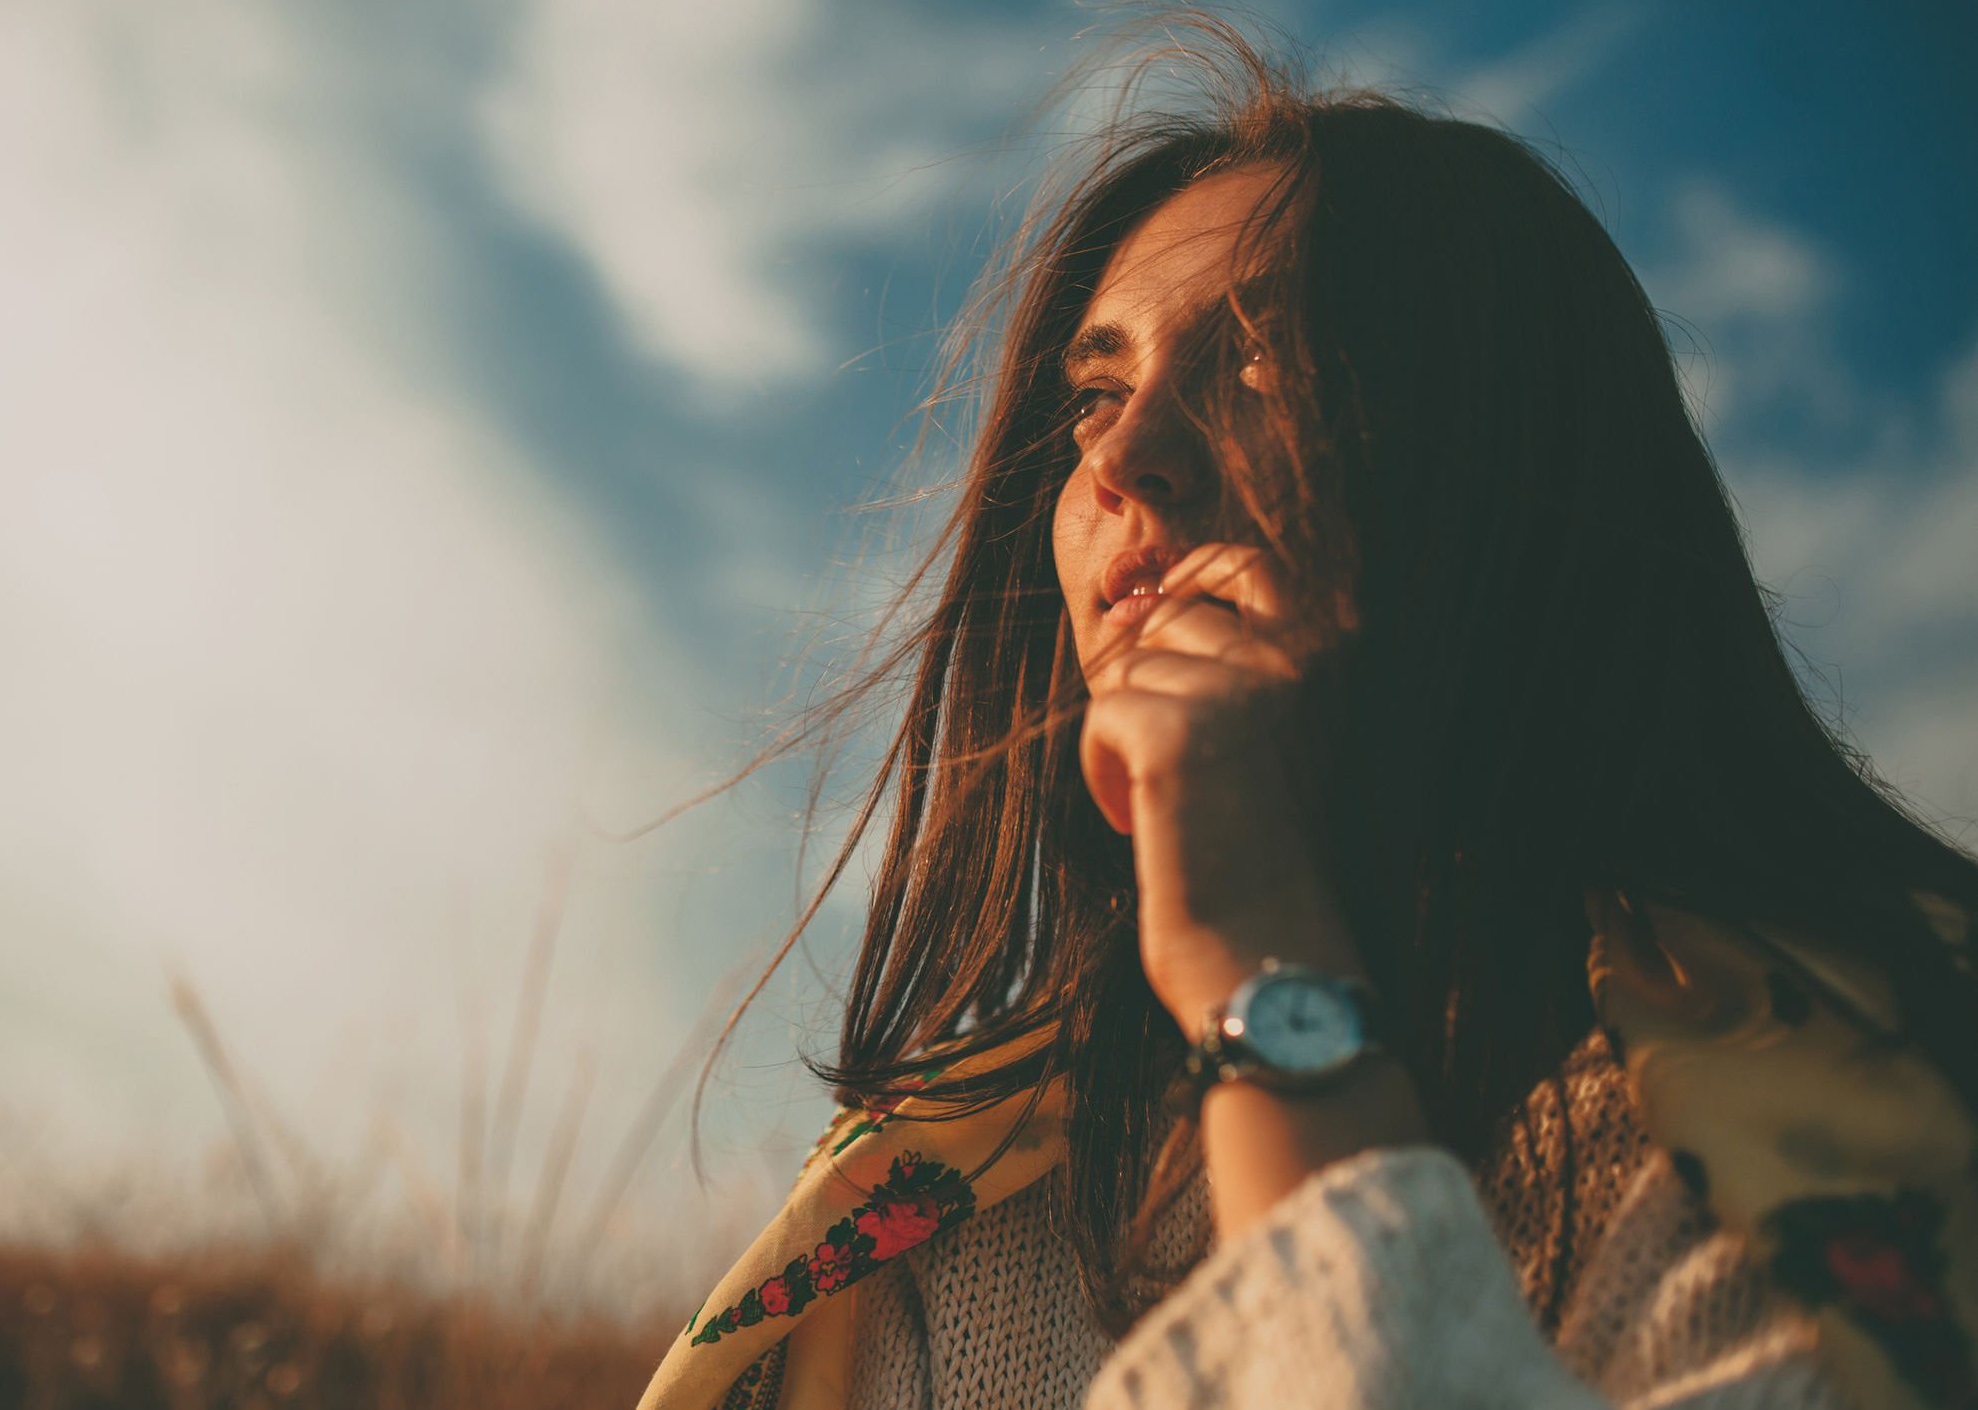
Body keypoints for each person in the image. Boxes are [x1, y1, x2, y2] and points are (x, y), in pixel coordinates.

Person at [637, 22, 1978, 1410]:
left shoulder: (1873, 1105)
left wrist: (1265, 970)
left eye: (1268, 365)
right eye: (1096, 393)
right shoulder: (969, 1211)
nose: (1123, 457)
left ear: (1510, 469)